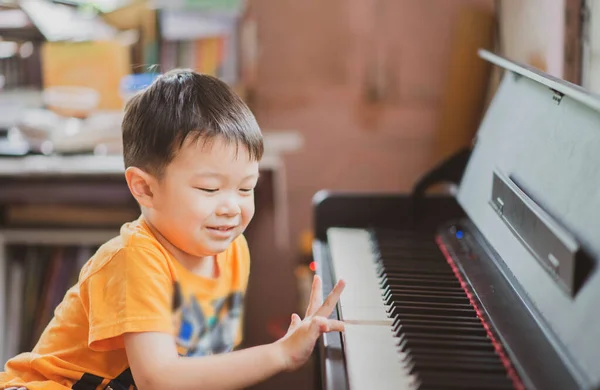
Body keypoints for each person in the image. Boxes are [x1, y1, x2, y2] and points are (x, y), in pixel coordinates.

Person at [0, 69, 345, 390]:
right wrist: (280, 354)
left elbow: (201, 366)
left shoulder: (232, 249)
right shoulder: (135, 259)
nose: (232, 206)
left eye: (245, 188)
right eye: (210, 189)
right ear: (145, 189)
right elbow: (159, 379)